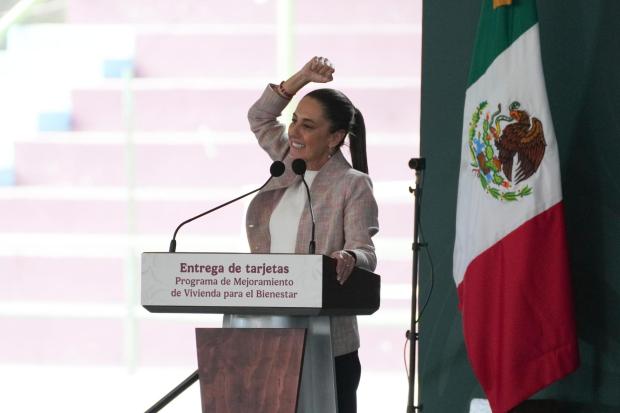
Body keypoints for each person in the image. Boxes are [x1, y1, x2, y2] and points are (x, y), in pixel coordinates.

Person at [245, 56, 379, 413]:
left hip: (328, 345)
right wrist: (302, 78)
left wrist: (350, 258)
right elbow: (259, 117)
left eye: (308, 126)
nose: (294, 133)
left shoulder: (353, 185)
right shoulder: (289, 162)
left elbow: (365, 251)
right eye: (294, 122)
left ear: (335, 137)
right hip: (270, 336)